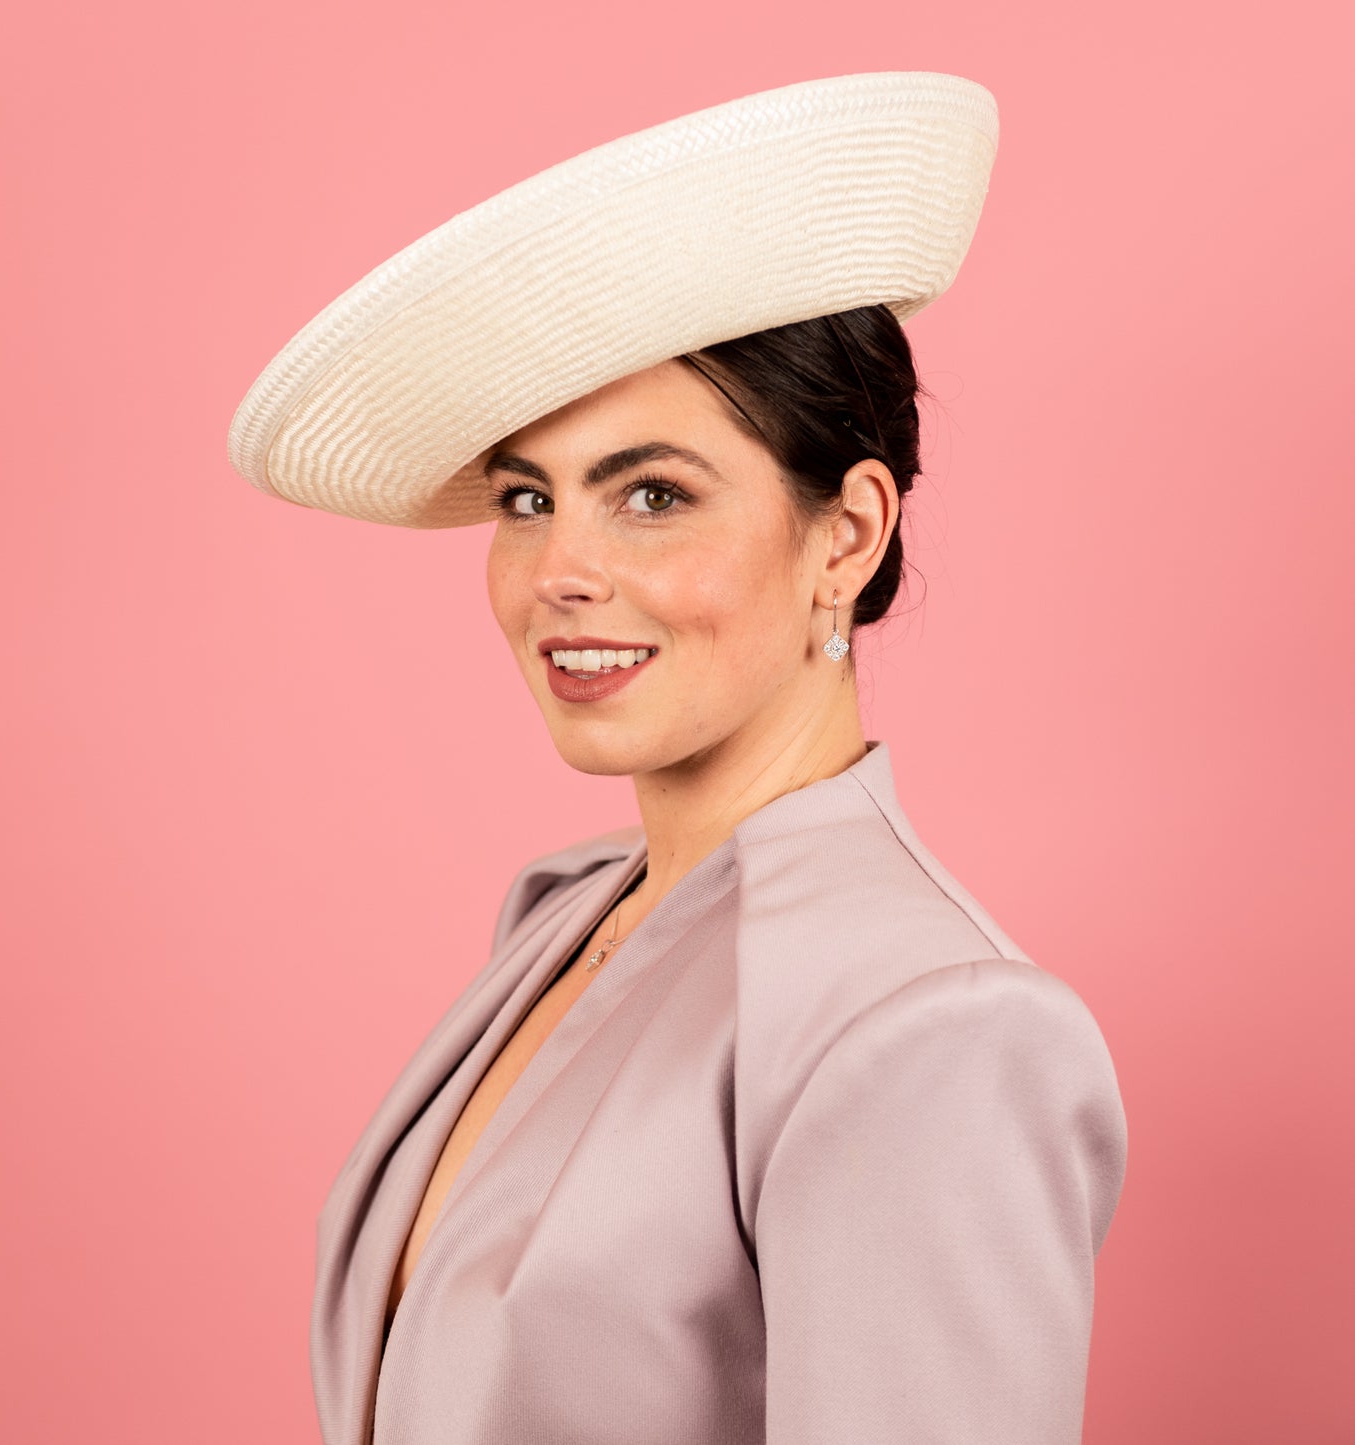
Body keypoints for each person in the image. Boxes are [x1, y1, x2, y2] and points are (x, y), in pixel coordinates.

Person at [227, 72, 1128, 1444]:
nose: (560, 572)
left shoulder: (929, 1029)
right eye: (529, 499)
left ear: (846, 533)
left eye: (651, 495)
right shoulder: (569, 918)